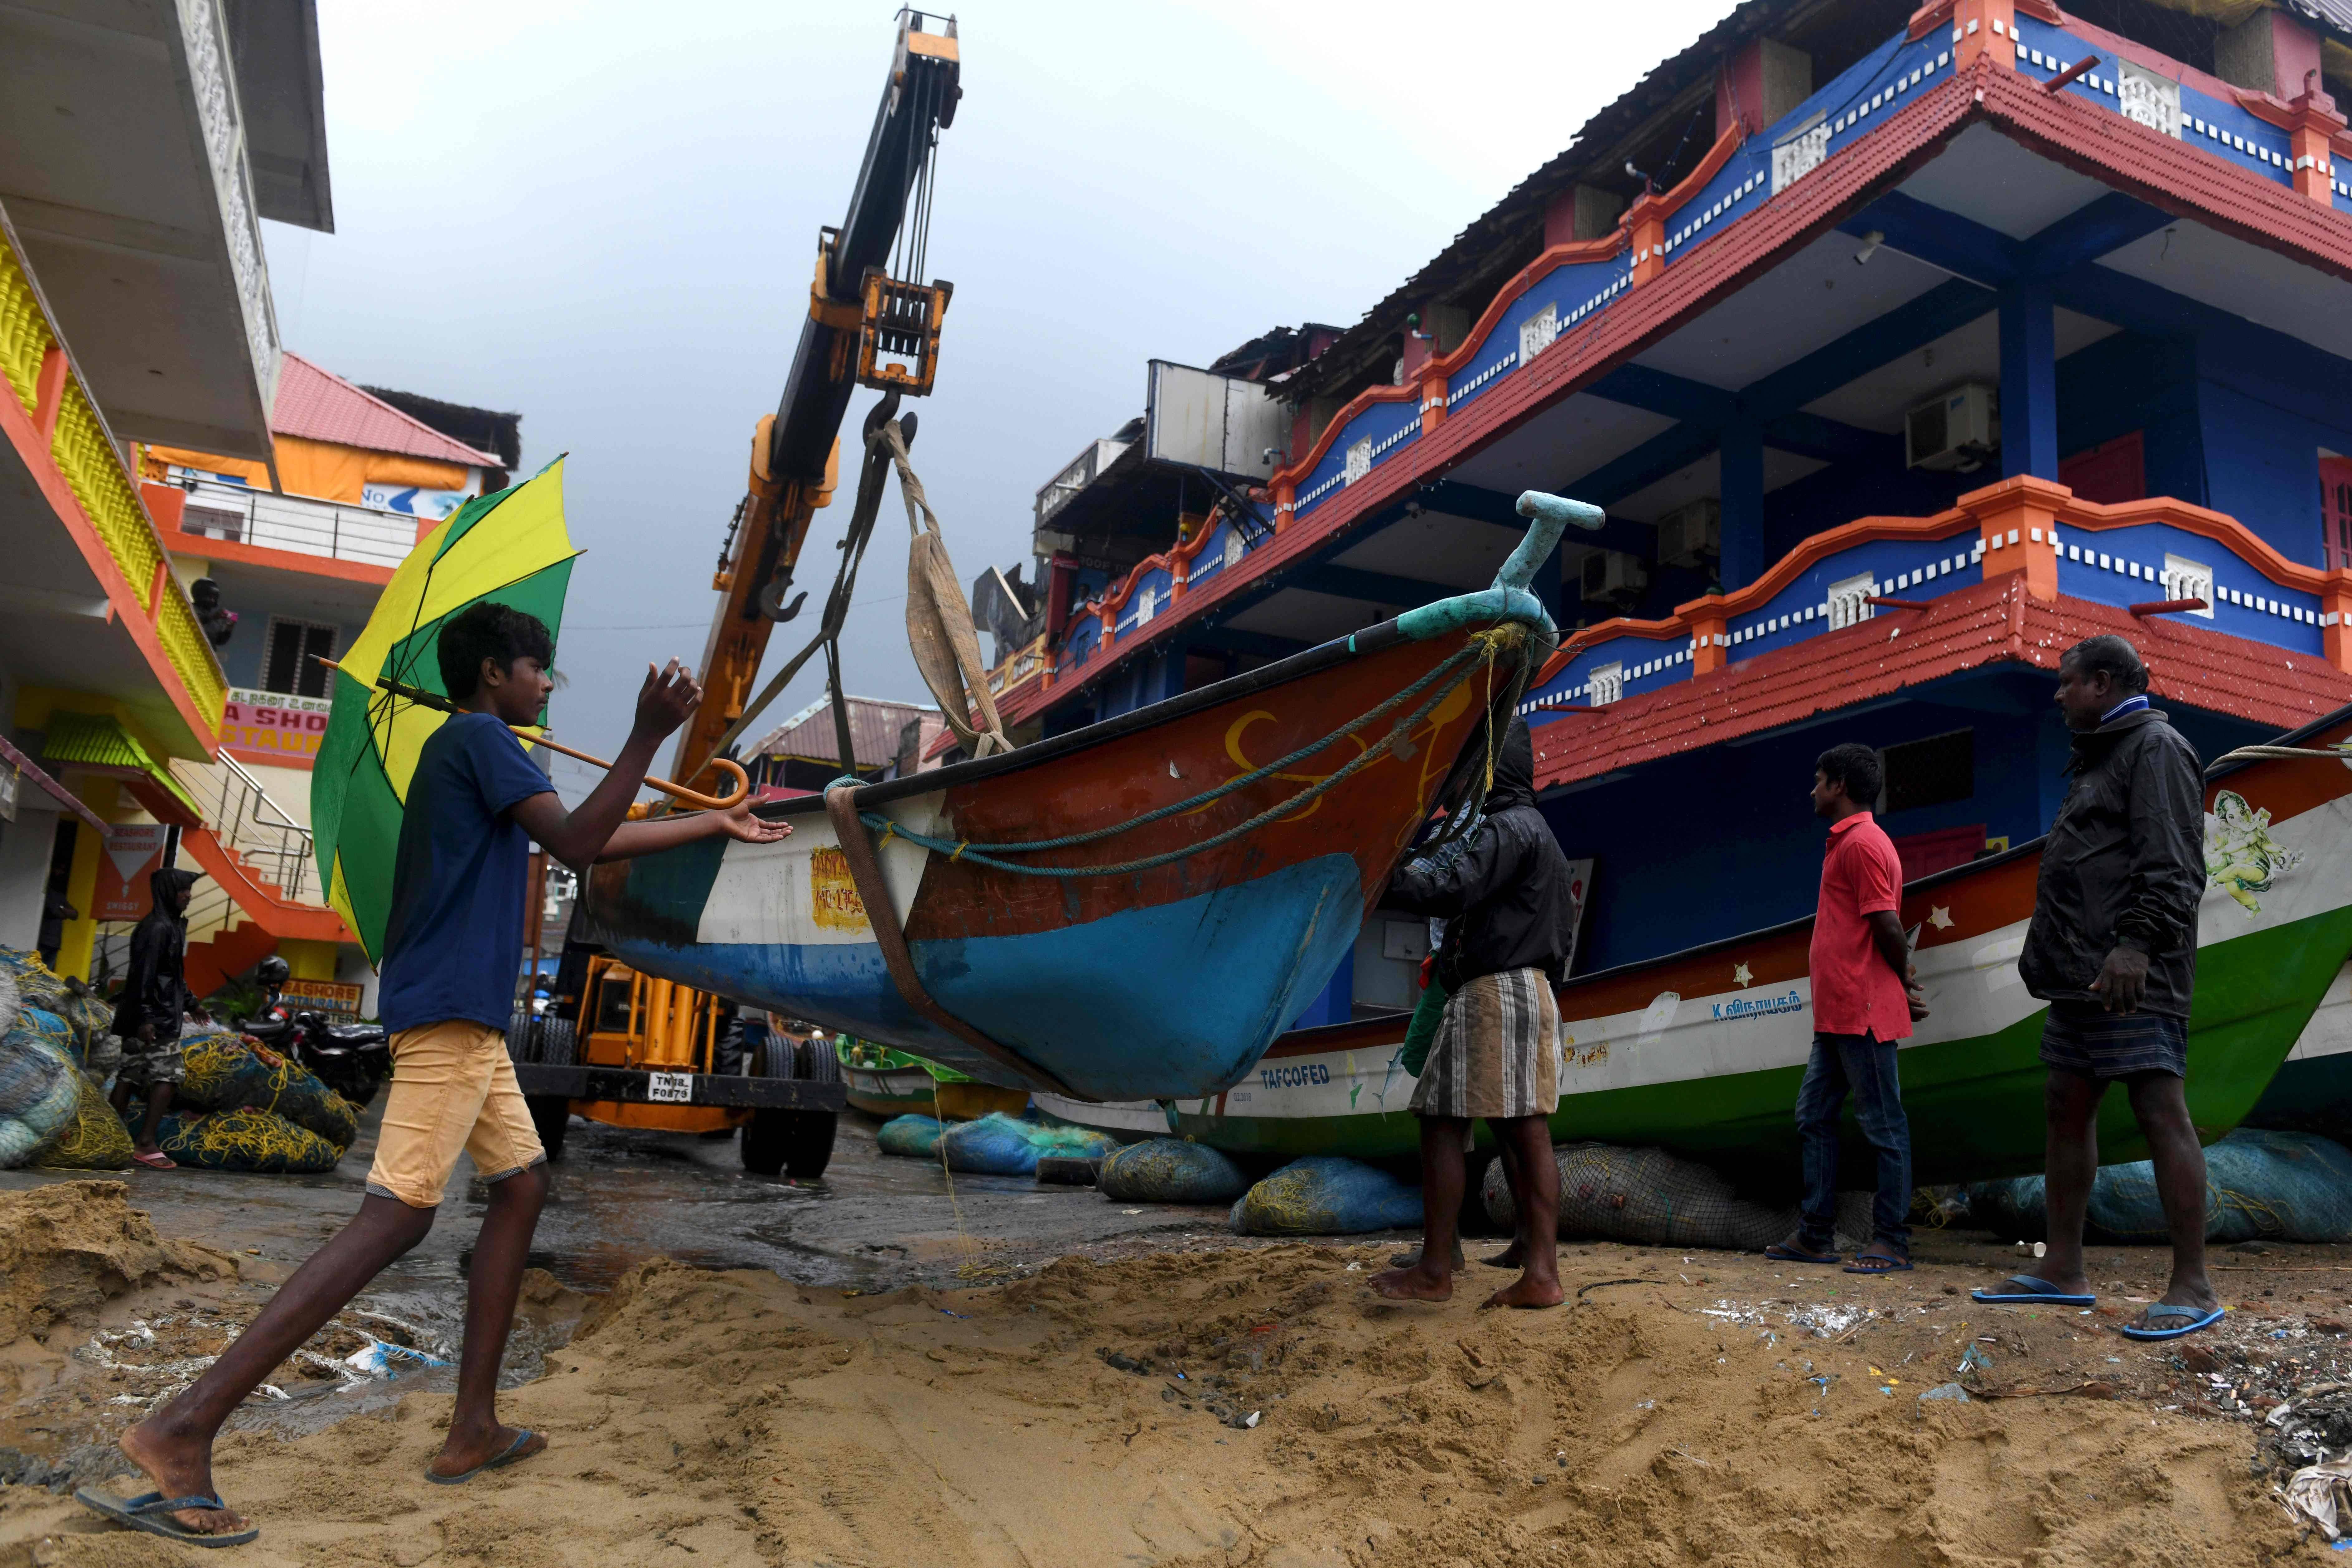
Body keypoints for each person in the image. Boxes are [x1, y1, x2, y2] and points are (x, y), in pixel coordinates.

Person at [95, 603, 792, 1547]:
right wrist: (644, 732)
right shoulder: (479, 737)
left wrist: (715, 821)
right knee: (398, 1213)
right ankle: (180, 1427)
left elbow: (596, 843)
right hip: (454, 1011)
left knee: (522, 1182)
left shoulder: (484, 753)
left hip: (471, 1016)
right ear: (498, 674)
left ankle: (473, 1426)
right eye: (538, 671)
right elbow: (581, 845)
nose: (547, 684)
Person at [1974, 634, 2217, 1339]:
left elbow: (2173, 864)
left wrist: (2136, 946)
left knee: (2157, 1108)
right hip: (2084, 976)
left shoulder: (2155, 750)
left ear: (2103, 683)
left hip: (2130, 973)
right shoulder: (2104, 754)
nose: (2056, 694)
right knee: (2064, 1101)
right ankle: (2061, 1268)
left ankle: (2192, 1285)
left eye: (2066, 682)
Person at [1371, 717, 1575, 1310]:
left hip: (1494, 993)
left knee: (1443, 1118)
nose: (1459, 783)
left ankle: (1439, 1268)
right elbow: (1559, 938)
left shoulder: (1505, 829)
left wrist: (1381, 876)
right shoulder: (1542, 835)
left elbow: (1449, 886)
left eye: (1467, 769)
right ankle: (1532, 1262)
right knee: (1521, 1127)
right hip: (1534, 991)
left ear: (1486, 771)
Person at [1765, 744, 1927, 1273]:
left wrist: (1901, 980)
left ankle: (1891, 1241)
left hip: (1860, 1010)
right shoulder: (1847, 842)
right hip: (1836, 1014)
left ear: (1838, 785)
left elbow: (1885, 923)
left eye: (1817, 780)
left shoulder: (1860, 844)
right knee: (1813, 1116)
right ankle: (1814, 1234)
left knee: (1884, 1125)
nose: (1811, 789)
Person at [108, 866, 201, 1171]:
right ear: (168, 891)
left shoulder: (165, 925)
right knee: (169, 1075)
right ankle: (145, 1143)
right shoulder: (159, 928)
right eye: (183, 889)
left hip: (145, 1013)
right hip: (155, 1017)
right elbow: (142, 975)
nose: (189, 894)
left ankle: (112, 1137)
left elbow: (170, 975)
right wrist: (146, 1017)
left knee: (129, 1075)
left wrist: (192, 1004)